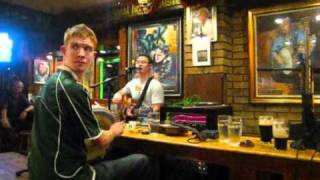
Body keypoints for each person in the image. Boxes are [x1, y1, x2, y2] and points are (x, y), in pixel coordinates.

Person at [28, 24, 153, 180]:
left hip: (39, 172)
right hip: (66, 175)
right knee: (142, 161)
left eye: (87, 49)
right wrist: (114, 129)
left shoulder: (50, 83)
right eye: (75, 47)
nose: (81, 54)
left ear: (93, 55)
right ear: (64, 51)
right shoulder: (71, 88)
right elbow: (101, 141)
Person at [112, 54, 164, 118]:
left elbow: (156, 108)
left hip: (147, 122)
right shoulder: (132, 82)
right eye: (138, 62)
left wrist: (135, 111)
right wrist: (118, 95)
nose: (140, 64)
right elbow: (120, 92)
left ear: (149, 66)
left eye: (143, 62)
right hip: (133, 120)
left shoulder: (155, 84)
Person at [0, 78, 34, 151]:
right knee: (9, 132)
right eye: (17, 87)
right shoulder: (6, 97)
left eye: (21, 87)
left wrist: (25, 111)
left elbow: (31, 106)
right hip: (8, 121)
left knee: (32, 119)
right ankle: (12, 149)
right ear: (12, 87)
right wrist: (11, 130)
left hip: (17, 121)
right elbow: (4, 118)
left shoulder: (21, 96)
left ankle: (25, 148)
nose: (19, 89)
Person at [271, 17, 305, 84]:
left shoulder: (298, 34)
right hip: (283, 72)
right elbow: (274, 52)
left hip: (298, 71)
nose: (282, 27)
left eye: (285, 24)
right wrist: (279, 59)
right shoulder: (279, 39)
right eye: (281, 25)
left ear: (291, 25)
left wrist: (295, 57)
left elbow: (302, 48)